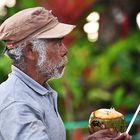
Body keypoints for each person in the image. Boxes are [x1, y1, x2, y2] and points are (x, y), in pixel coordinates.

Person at [0, 7, 131, 140]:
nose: (65, 50)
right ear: (30, 51)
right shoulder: (17, 104)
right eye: (57, 43)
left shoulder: (34, 91)